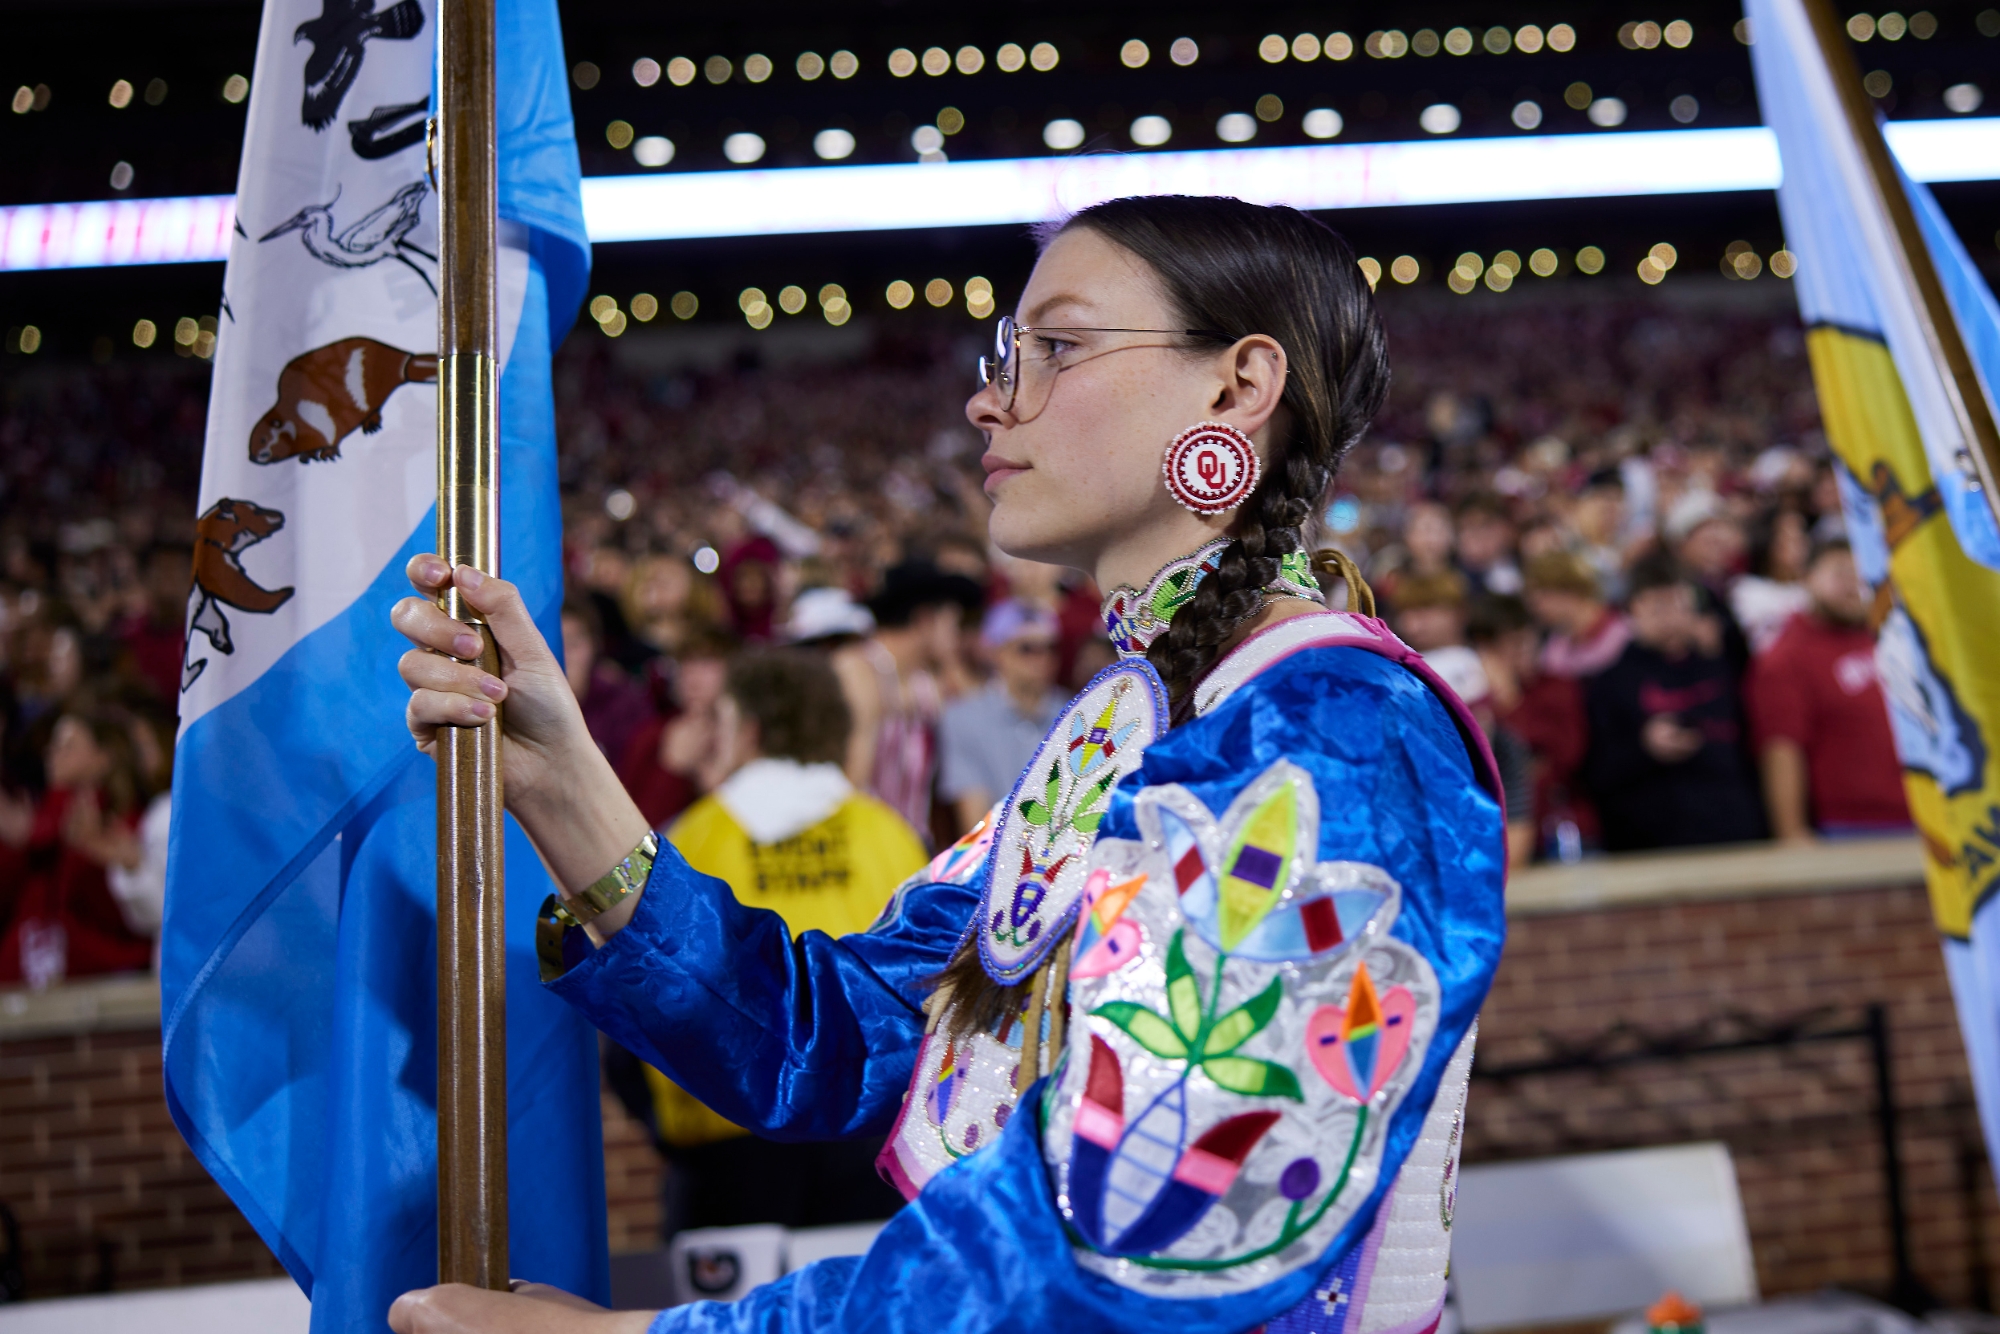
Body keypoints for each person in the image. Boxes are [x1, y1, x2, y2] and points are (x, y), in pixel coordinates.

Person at [387, 194, 1505, 1334]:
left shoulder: (1334, 728)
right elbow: (839, 1038)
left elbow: (1135, 1233)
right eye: (1006, 354)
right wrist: (561, 778)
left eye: (1054, 348)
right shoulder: (1134, 726)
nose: (988, 399)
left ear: (1234, 386)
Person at [645, 648, 925, 1238]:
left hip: (729, 1135)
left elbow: (652, 986)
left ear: (746, 727)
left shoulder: (692, 839)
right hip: (869, 1130)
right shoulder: (890, 835)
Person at [1582, 554, 1767, 852]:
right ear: (1633, 611)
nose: (1670, 617)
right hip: (1654, 842)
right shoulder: (1609, 683)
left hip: (1738, 833)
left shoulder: (1727, 662)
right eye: (1658, 606)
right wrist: (1645, 747)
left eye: (1679, 604)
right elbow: (1596, 772)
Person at [1747, 541, 1910, 841]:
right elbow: (1782, 750)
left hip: (1926, 812)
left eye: (1860, 574)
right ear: (1806, 578)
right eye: (1840, 573)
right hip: (1853, 826)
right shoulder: (1786, 657)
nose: (1853, 585)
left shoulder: (1893, 636)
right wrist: (1792, 833)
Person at [0, 708, 156, 986]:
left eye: (67, 745)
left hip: (111, 983)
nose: (53, 752)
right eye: (53, 744)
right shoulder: (43, 819)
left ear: (103, 758)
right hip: (35, 986)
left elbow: (117, 918)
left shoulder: (122, 824)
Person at [831, 560, 982, 839]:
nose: (958, 637)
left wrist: (950, 662)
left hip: (908, 843)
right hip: (864, 840)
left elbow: (981, 721)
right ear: (925, 619)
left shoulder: (924, 680)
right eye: (953, 623)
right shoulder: (859, 668)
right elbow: (853, 780)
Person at [937, 600, 1068, 833]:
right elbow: (976, 823)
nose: (1041, 658)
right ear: (997, 653)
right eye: (1026, 649)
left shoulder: (1074, 713)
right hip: (998, 856)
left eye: (1050, 647)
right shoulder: (963, 718)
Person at [1523, 549, 1630, 681]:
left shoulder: (1626, 632)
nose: (1536, 606)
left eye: (1544, 595)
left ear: (1570, 590)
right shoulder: (1553, 651)